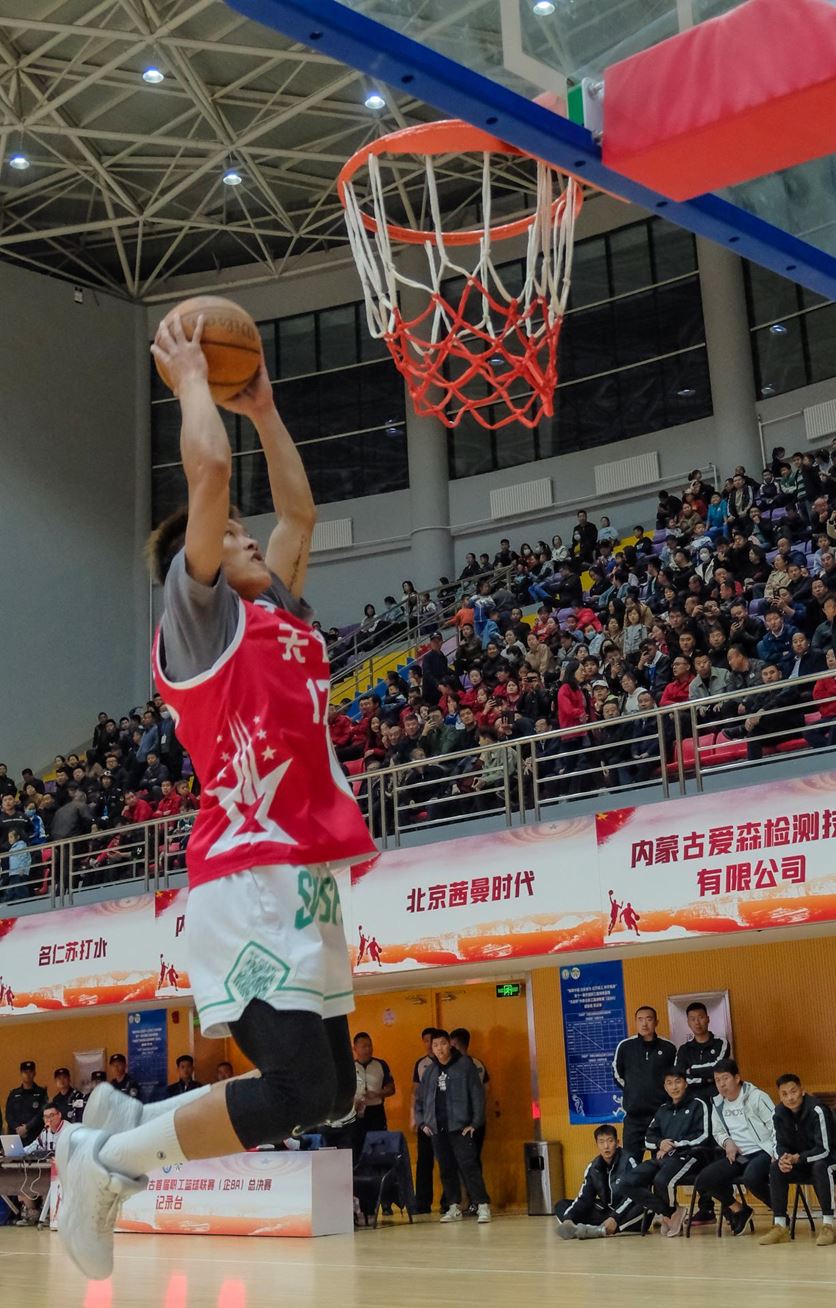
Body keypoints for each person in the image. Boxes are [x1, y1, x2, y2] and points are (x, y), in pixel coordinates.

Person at [55, 316, 377, 1280]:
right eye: (232, 538)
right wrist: (195, 382)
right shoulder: (201, 623)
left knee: (333, 1093)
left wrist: (267, 410)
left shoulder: (279, 613)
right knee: (292, 1088)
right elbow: (208, 478)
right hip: (247, 876)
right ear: (197, 567)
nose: (247, 538)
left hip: (303, 871)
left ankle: (123, 1128)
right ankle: (108, 1164)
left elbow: (300, 517)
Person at [613, 1069, 713, 1238]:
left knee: (661, 1180)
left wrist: (673, 1145)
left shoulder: (698, 1104)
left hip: (690, 1156)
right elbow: (648, 1137)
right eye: (669, 1083)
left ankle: (670, 1214)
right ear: (665, 1087)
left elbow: (703, 1135)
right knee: (626, 1182)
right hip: (663, 1158)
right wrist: (660, 1143)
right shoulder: (663, 1109)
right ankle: (671, 1213)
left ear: (685, 1083)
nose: (674, 1087)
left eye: (678, 1081)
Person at [415, 1029, 490, 1224]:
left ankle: (482, 1205)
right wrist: (422, 1122)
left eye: (442, 1044)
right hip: (437, 1128)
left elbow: (477, 1095)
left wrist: (475, 1122)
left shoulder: (465, 1066)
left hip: (460, 1126)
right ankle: (453, 1206)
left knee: (469, 1166)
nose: (439, 1048)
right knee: (446, 1169)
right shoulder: (430, 1071)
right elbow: (419, 1099)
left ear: (450, 1044)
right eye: (435, 1045)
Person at [694, 1058, 775, 1235]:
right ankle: (740, 1209)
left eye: (725, 1078)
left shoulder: (757, 1097)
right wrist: (727, 1143)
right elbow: (718, 1131)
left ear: (737, 1078)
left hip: (763, 1151)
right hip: (739, 1155)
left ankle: (780, 1213)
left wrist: (775, 1152)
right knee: (704, 1180)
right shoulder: (718, 1103)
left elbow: (775, 1125)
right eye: (717, 1080)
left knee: (751, 1178)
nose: (721, 1084)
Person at [759, 1073, 836, 1247]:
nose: (790, 1097)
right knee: (776, 1168)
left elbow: (824, 1149)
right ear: (780, 1096)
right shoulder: (778, 1113)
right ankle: (780, 1226)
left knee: (820, 1167)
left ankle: (828, 1225)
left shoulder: (817, 1110)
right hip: (799, 1161)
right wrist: (783, 1159)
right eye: (784, 1094)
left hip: (828, 1159)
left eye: (793, 1091)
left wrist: (798, 1158)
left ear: (802, 1090)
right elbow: (778, 1144)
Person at [675, 1002, 730, 1224]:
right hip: (695, 1109)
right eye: (692, 1019)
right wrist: (703, 1075)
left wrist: (694, 1072)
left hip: (719, 1106)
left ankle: (730, 1207)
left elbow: (719, 1068)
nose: (697, 1022)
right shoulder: (684, 1050)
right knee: (700, 1155)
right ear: (688, 1023)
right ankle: (706, 1209)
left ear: (708, 1018)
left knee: (721, 1154)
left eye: (700, 1017)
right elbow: (681, 1075)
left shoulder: (721, 1043)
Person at [555, 1124, 644, 1239]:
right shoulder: (594, 1167)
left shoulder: (628, 1162)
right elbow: (584, 1198)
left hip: (625, 1214)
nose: (606, 1146)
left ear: (617, 1143)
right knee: (562, 1205)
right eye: (601, 1142)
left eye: (610, 1141)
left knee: (645, 1206)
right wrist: (569, 1218)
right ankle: (576, 1228)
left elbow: (634, 1195)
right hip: (606, 1212)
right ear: (596, 1145)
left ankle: (601, 1230)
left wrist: (615, 1217)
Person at [612, 1007, 676, 1163]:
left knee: (662, 1163)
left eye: (649, 1019)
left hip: (661, 1115)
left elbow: (675, 1079)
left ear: (656, 1022)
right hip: (634, 1118)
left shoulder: (669, 1048)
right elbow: (617, 1074)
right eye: (640, 1019)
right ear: (635, 1022)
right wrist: (633, 1091)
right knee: (630, 1165)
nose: (644, 1024)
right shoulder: (625, 1046)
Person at [412, 1027, 437, 1214]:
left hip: (444, 1119)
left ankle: (449, 1201)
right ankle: (422, 1202)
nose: (429, 1045)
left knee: (447, 1161)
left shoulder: (449, 1062)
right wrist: (414, 1117)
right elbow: (415, 1092)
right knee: (424, 1162)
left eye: (432, 1041)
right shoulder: (421, 1064)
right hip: (426, 1119)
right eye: (426, 1041)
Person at [352, 1031, 395, 1143]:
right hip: (356, 1112)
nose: (368, 1049)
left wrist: (378, 1094)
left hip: (376, 1111)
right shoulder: (350, 1067)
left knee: (379, 1145)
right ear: (355, 1048)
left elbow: (391, 1089)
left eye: (370, 1045)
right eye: (364, 1046)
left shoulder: (381, 1064)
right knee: (357, 1145)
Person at [5, 1060, 48, 1138]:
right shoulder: (14, 1094)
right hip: (16, 1134)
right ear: (21, 1074)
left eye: (30, 1072)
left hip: (35, 1135)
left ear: (34, 1073)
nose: (28, 1075)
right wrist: (17, 1128)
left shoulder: (41, 1093)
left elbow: (41, 1113)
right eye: (25, 1072)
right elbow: (8, 1115)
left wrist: (27, 1127)